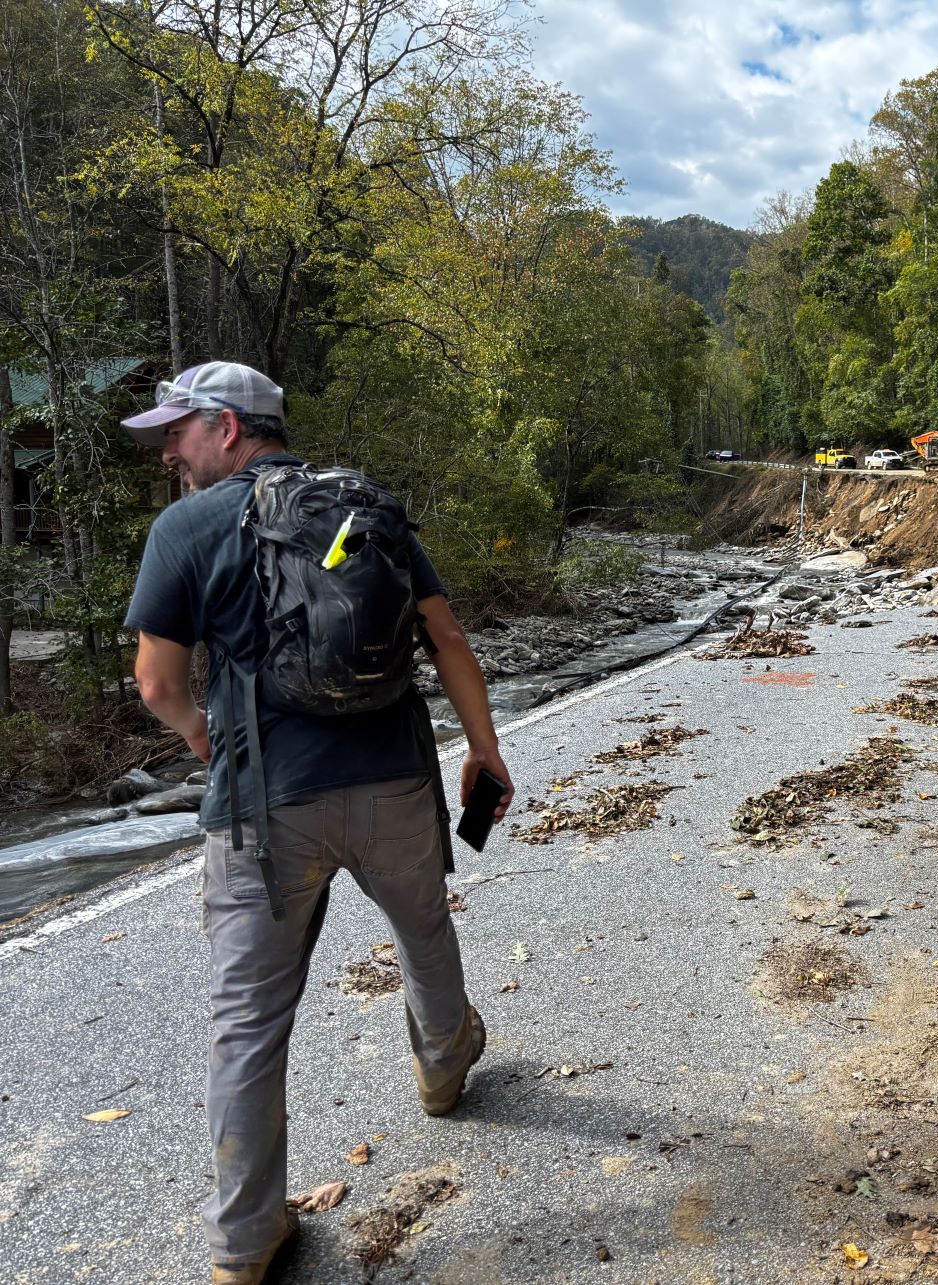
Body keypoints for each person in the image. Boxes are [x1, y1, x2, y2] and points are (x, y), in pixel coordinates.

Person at [121, 362, 516, 1285]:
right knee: (423, 931)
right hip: (391, 782)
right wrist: (484, 748)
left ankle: (246, 1240)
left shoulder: (187, 526)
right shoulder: (363, 508)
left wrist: (198, 736)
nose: (170, 452)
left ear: (227, 427)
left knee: (248, 1021)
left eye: (178, 431)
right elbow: (447, 639)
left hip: (264, 809)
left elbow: (156, 683)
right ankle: (444, 1065)